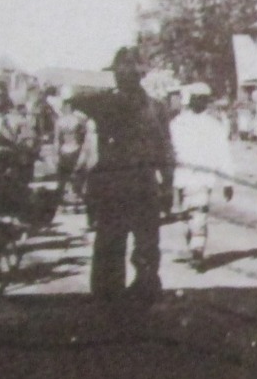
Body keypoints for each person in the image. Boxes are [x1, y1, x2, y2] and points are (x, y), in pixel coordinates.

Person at [75, 47, 176, 301]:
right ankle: (133, 291)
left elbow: (165, 150)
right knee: (137, 243)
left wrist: (167, 185)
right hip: (134, 185)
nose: (122, 77)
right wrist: (167, 186)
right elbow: (166, 151)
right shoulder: (152, 107)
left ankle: (121, 294)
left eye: (124, 73)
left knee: (120, 244)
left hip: (122, 185)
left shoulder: (113, 104)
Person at [168, 83, 235, 266]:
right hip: (182, 178)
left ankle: (197, 249)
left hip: (201, 178)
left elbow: (223, 153)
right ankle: (194, 245)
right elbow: (169, 151)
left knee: (198, 214)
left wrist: (228, 181)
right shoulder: (177, 124)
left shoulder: (213, 126)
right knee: (188, 217)